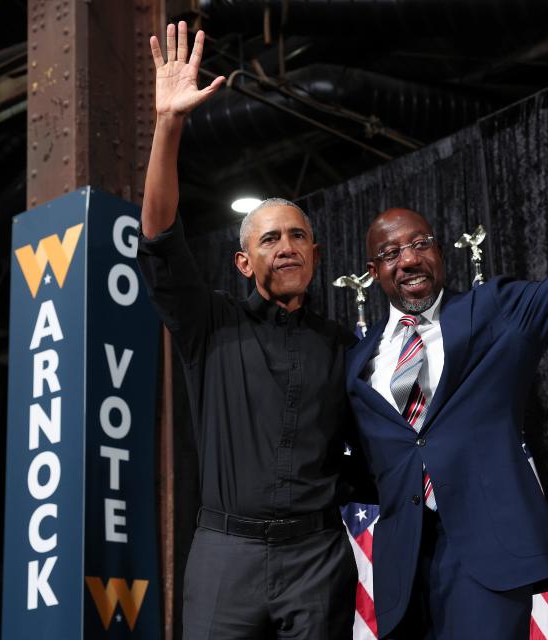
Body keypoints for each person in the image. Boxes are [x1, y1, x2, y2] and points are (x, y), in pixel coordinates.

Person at [345, 37, 548, 638]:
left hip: (487, 558)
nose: (409, 259)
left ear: (439, 253)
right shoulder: (358, 365)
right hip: (401, 571)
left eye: (420, 244)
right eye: (391, 253)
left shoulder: (498, 311)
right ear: (374, 273)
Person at [137, 22, 367, 639]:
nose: (286, 247)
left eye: (297, 236)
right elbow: (158, 235)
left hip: (317, 559)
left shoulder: (346, 348)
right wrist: (169, 125)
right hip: (223, 557)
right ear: (244, 262)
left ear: (315, 254)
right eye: (270, 238)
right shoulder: (207, 323)